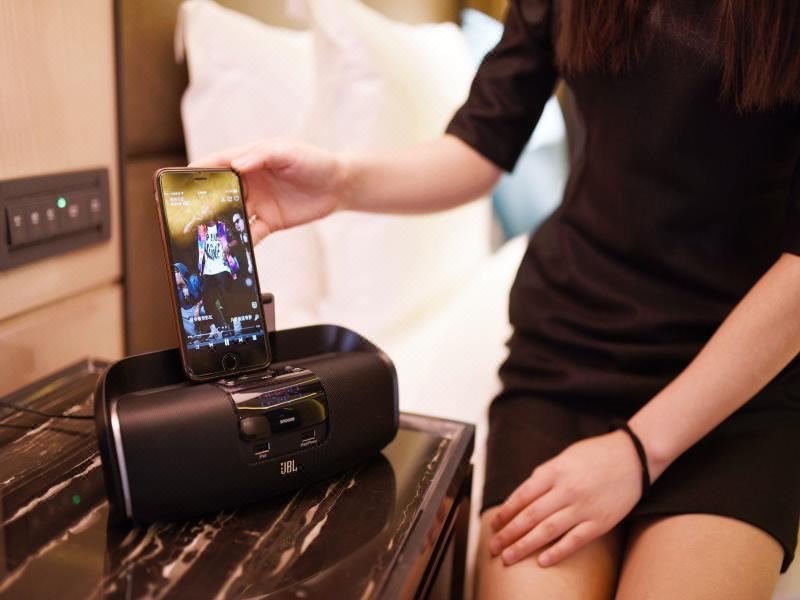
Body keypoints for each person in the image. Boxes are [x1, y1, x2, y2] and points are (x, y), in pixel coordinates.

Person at [191, 1, 800, 598]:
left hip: (735, 387)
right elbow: (482, 143)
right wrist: (340, 183)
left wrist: (638, 453)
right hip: (570, 358)